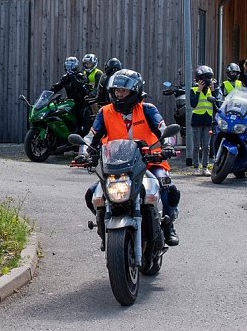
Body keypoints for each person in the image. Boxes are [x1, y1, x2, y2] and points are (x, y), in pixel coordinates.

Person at [76, 69, 181, 245]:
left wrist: (168, 145)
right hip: (116, 165)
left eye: (123, 91)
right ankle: (105, 229)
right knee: (92, 195)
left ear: (135, 91)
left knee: (167, 186)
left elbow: (164, 129)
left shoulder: (147, 109)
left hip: (149, 161)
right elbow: (91, 136)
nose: (119, 94)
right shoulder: (105, 112)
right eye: (116, 91)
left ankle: (168, 225)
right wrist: (84, 152)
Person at [51, 56, 91, 134]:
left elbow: (80, 86)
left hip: (81, 103)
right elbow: (56, 87)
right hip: (70, 102)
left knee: (83, 122)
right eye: (68, 65)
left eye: (71, 65)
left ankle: (84, 138)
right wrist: (47, 94)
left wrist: (72, 76)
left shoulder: (81, 75)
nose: (69, 67)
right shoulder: (65, 77)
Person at [190, 65, 216, 175]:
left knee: (206, 146)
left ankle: (205, 167)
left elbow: (215, 104)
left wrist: (214, 91)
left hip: (207, 121)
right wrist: (199, 91)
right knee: (196, 146)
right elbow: (193, 104)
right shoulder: (194, 89)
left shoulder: (211, 90)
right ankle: (196, 167)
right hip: (196, 121)